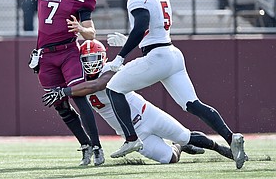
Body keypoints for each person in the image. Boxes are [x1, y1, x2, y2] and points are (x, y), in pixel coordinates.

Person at [87, 0, 245, 169]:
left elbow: (142, 26)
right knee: (192, 104)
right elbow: (153, 31)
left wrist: (120, 57)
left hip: (157, 57)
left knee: (114, 88)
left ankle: (131, 138)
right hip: (172, 55)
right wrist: (127, 39)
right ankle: (231, 137)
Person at [42, 39, 236, 164]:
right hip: (132, 132)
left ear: (104, 57)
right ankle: (178, 147)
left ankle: (219, 148)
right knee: (169, 158)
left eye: (95, 57)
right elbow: (80, 100)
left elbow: (97, 85)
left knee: (185, 135)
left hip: (147, 114)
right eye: (87, 58)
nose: (91, 62)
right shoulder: (78, 80)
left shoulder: (110, 69)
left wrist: (64, 91)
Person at [8, 0, 104, 166]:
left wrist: (80, 28)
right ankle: (85, 145)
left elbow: (91, 34)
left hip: (68, 51)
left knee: (79, 96)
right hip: (45, 55)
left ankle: (97, 146)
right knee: (60, 105)